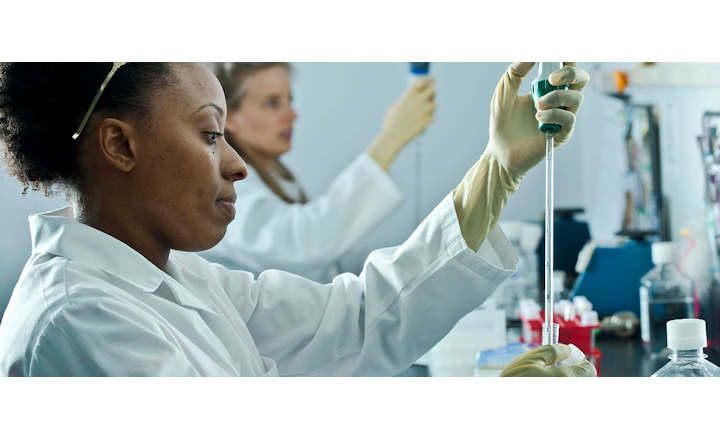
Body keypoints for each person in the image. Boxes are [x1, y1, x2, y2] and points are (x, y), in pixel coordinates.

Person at [0, 62, 594, 377]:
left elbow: (358, 319)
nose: (236, 164)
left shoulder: (181, 278)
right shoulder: (79, 321)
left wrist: (497, 170)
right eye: (210, 134)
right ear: (120, 146)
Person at [201, 62, 436, 282]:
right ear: (227, 117)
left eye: (289, 100)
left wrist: (405, 261)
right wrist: (390, 140)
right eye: (272, 103)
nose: (292, 114)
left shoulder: (277, 177)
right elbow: (304, 244)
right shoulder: (224, 189)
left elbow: (327, 264)